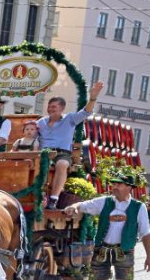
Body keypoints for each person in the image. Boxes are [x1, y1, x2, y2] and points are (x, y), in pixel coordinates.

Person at [65, 174, 150, 280]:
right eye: (114, 184)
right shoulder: (104, 202)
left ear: (129, 187)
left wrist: (149, 256)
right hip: (102, 249)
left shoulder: (138, 207)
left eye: (119, 184)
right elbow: (84, 205)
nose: (114, 187)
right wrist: (74, 207)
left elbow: (145, 233)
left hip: (124, 250)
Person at [40, 81, 103, 209]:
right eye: (49, 106)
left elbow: (86, 112)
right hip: (43, 153)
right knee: (33, 162)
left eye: (54, 107)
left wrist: (92, 98)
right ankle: (38, 195)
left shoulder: (69, 119)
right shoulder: (41, 122)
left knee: (62, 164)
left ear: (62, 109)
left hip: (62, 153)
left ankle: (53, 198)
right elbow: (29, 133)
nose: (50, 109)